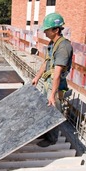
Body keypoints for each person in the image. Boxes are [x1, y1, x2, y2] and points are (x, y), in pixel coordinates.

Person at [31, 13, 73, 147]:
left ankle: (52, 138)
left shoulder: (64, 47)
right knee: (44, 109)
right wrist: (37, 78)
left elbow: (57, 73)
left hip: (55, 84)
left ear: (56, 30)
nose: (45, 31)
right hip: (47, 82)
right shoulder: (52, 43)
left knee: (53, 111)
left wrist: (53, 94)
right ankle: (44, 132)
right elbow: (46, 62)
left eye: (47, 29)